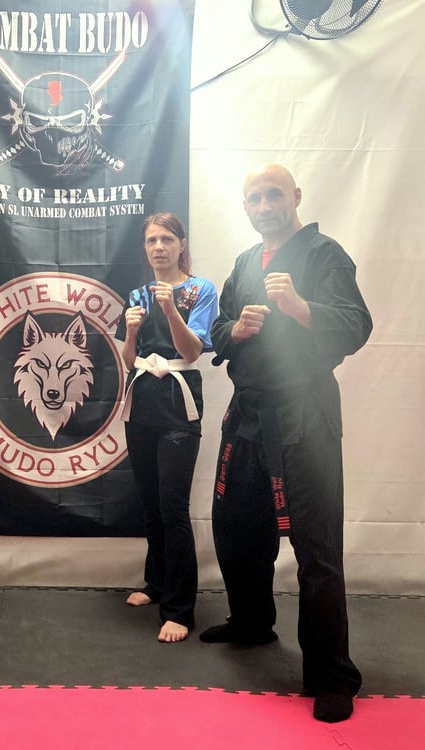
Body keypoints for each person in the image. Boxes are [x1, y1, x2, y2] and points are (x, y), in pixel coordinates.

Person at [199, 164, 372, 723]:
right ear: (246, 207)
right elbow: (217, 330)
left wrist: (300, 307)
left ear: (295, 197)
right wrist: (237, 331)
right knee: (235, 524)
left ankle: (331, 674)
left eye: (274, 194)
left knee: (315, 542)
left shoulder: (325, 254)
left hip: (304, 411)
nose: (264, 204)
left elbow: (356, 323)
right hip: (248, 410)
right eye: (254, 197)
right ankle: (252, 623)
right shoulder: (247, 262)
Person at [115, 213, 218, 643]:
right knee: (150, 502)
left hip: (179, 402)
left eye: (167, 239)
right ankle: (156, 584)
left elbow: (192, 352)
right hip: (142, 402)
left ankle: (180, 608)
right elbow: (126, 359)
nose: (159, 247)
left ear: (181, 244)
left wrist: (170, 308)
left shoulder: (201, 289)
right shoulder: (136, 293)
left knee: (173, 505)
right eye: (152, 240)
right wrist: (132, 332)